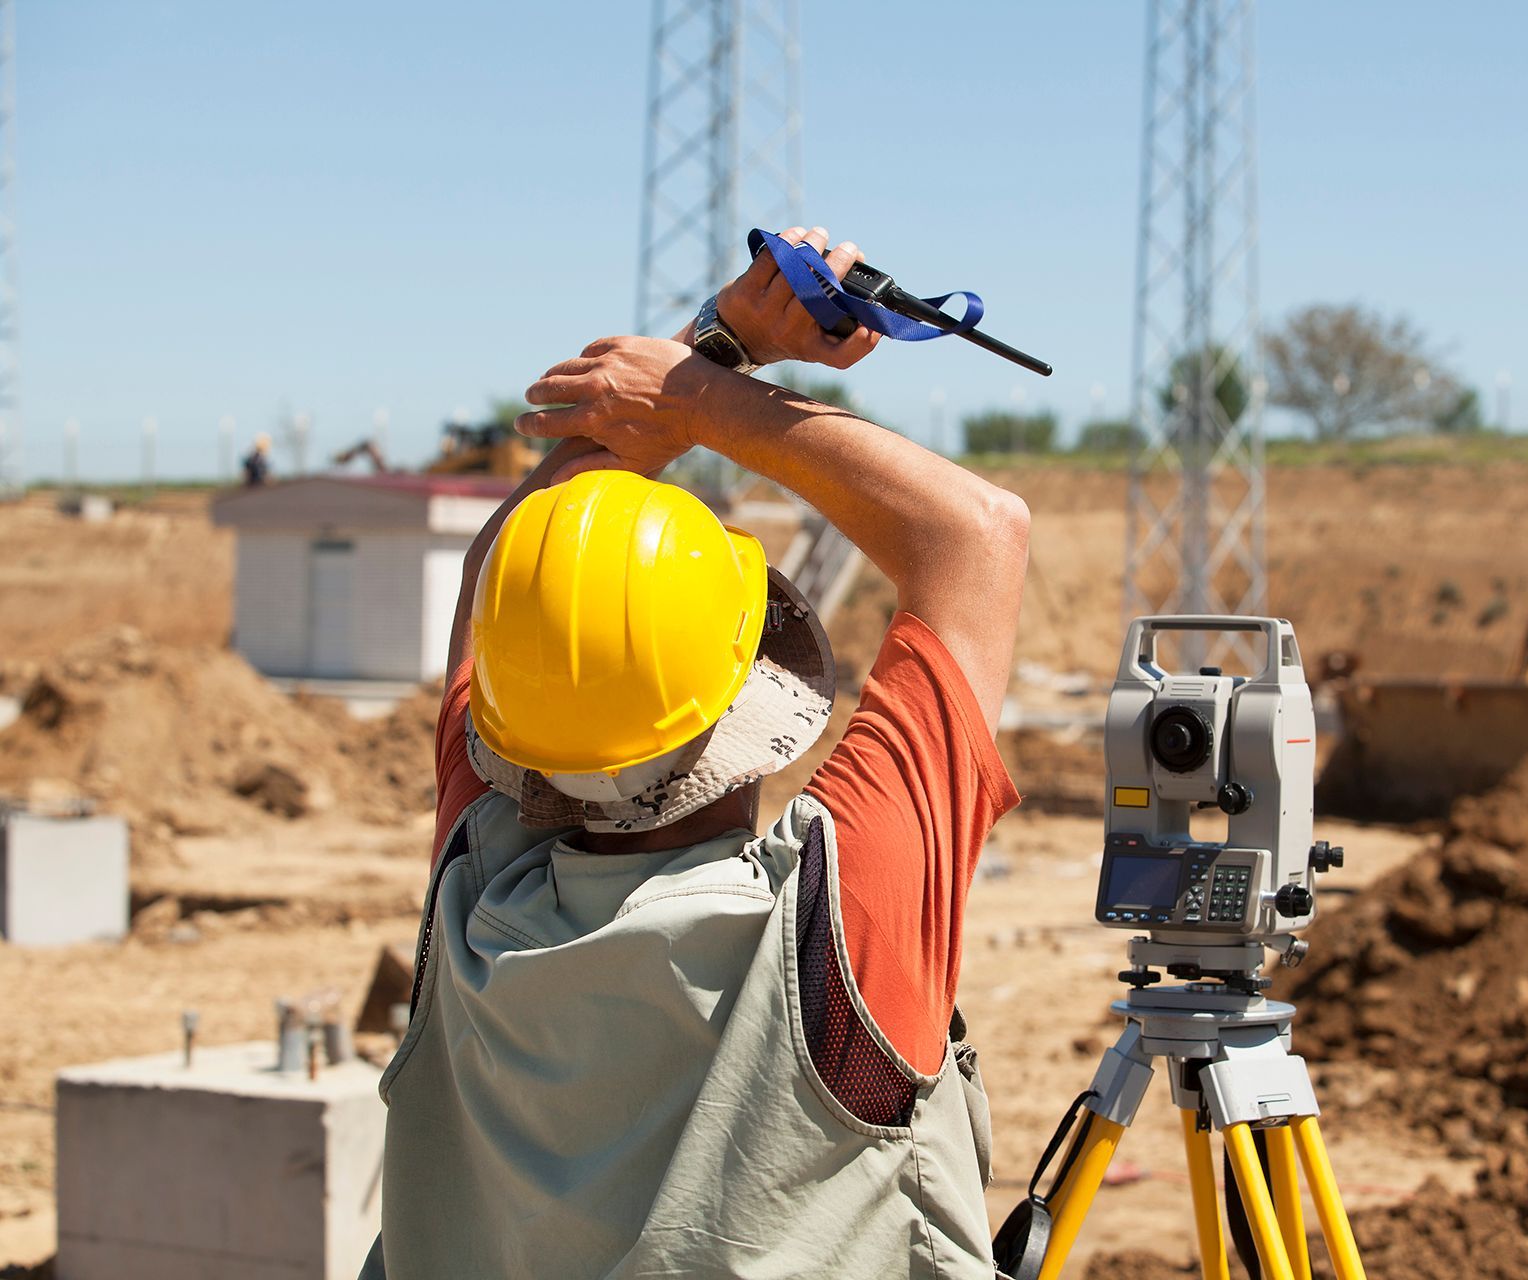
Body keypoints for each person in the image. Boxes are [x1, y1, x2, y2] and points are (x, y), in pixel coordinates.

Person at [362, 227, 1030, 1279]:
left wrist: (715, 352)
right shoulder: (832, 922)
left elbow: (512, 571)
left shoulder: (475, 889)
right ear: (755, 702)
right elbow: (977, 535)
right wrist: (704, 385)